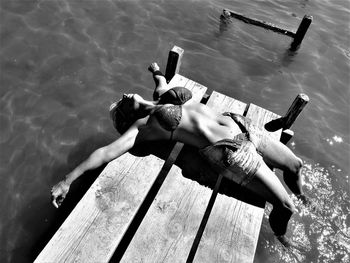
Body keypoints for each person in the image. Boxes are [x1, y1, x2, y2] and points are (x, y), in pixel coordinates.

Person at [51, 62, 309, 247]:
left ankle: (303, 195)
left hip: (241, 125)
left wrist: (155, 71)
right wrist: (67, 180)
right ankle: (282, 240)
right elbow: (106, 152)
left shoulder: (160, 97)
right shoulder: (144, 127)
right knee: (286, 207)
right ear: (125, 116)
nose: (123, 95)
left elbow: (161, 81)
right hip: (230, 149)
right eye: (120, 103)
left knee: (295, 166)